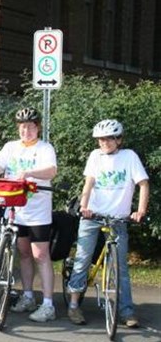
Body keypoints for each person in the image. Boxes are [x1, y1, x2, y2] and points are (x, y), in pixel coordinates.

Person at [0, 107, 58, 322]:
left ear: (37, 128)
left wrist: (29, 173)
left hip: (38, 211)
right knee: (23, 253)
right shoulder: (10, 147)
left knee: (40, 254)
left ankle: (48, 304)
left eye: (30, 127)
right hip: (15, 209)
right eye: (23, 127)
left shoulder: (44, 148)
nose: (26, 131)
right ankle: (28, 296)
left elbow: (51, 171)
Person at [67, 119, 149, 328]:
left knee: (120, 267)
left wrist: (140, 211)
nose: (104, 143)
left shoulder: (129, 157)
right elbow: (89, 183)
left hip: (118, 219)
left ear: (118, 140)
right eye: (101, 139)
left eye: (109, 139)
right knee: (83, 259)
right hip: (92, 216)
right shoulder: (95, 156)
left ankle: (126, 311)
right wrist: (84, 207)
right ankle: (74, 305)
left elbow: (143, 184)